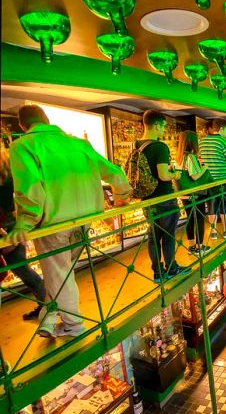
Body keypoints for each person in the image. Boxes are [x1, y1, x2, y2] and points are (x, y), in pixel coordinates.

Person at [8, 105, 131, 338]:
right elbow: (114, 172)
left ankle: (73, 326)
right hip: (87, 219)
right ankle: (49, 317)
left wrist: (24, 222)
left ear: (23, 126)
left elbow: (30, 188)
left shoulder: (23, 145)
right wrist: (122, 197)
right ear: (46, 119)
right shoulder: (78, 144)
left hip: (54, 222)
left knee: (59, 274)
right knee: (62, 273)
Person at [134, 111, 190, 281]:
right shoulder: (160, 147)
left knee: (153, 236)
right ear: (157, 125)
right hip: (164, 198)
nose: (164, 130)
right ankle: (171, 268)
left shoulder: (137, 145)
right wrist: (175, 175)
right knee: (168, 236)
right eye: (163, 126)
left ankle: (157, 272)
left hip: (148, 199)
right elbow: (163, 175)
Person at [0, 148, 46, 320]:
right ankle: (47, 305)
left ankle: (47, 306)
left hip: (5, 226)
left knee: (21, 268)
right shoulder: (9, 168)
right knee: (21, 267)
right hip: (11, 222)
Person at [175, 131, 210, 255]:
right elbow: (195, 176)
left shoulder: (178, 157)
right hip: (195, 193)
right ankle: (200, 247)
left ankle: (191, 247)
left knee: (190, 219)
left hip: (184, 194)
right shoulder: (190, 157)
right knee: (199, 218)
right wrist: (205, 167)